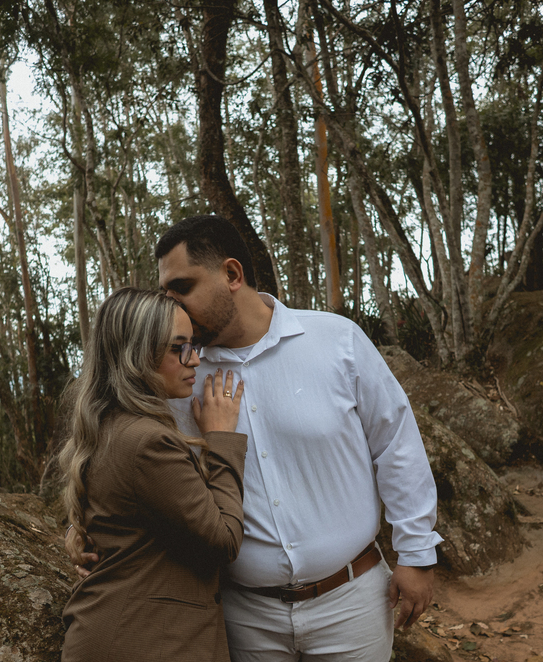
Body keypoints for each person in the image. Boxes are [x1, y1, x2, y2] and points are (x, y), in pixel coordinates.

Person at [156, 215, 443, 662]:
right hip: (243, 615)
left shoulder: (336, 340)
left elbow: (396, 444)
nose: (172, 306)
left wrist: (417, 553)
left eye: (183, 288)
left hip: (353, 603)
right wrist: (93, 535)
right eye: (165, 294)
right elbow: (146, 467)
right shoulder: (179, 377)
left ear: (232, 274)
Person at [58, 287, 247, 662]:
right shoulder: (148, 441)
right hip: (143, 640)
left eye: (192, 345)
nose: (195, 360)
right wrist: (221, 439)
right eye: (180, 348)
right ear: (137, 356)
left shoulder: (108, 424)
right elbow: (224, 540)